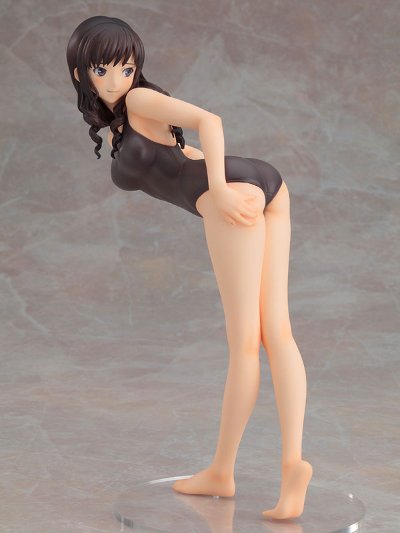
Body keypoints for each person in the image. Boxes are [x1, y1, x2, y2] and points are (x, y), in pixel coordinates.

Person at [66, 15, 313, 520]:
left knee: (246, 342)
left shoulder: (139, 100)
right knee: (276, 331)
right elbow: (184, 155)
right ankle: (241, 470)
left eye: (126, 68)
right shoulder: (118, 125)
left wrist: (219, 190)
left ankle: (263, 468)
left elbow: (210, 122)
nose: (116, 80)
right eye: (102, 69)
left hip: (228, 195)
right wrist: (219, 184)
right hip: (263, 187)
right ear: (80, 73)